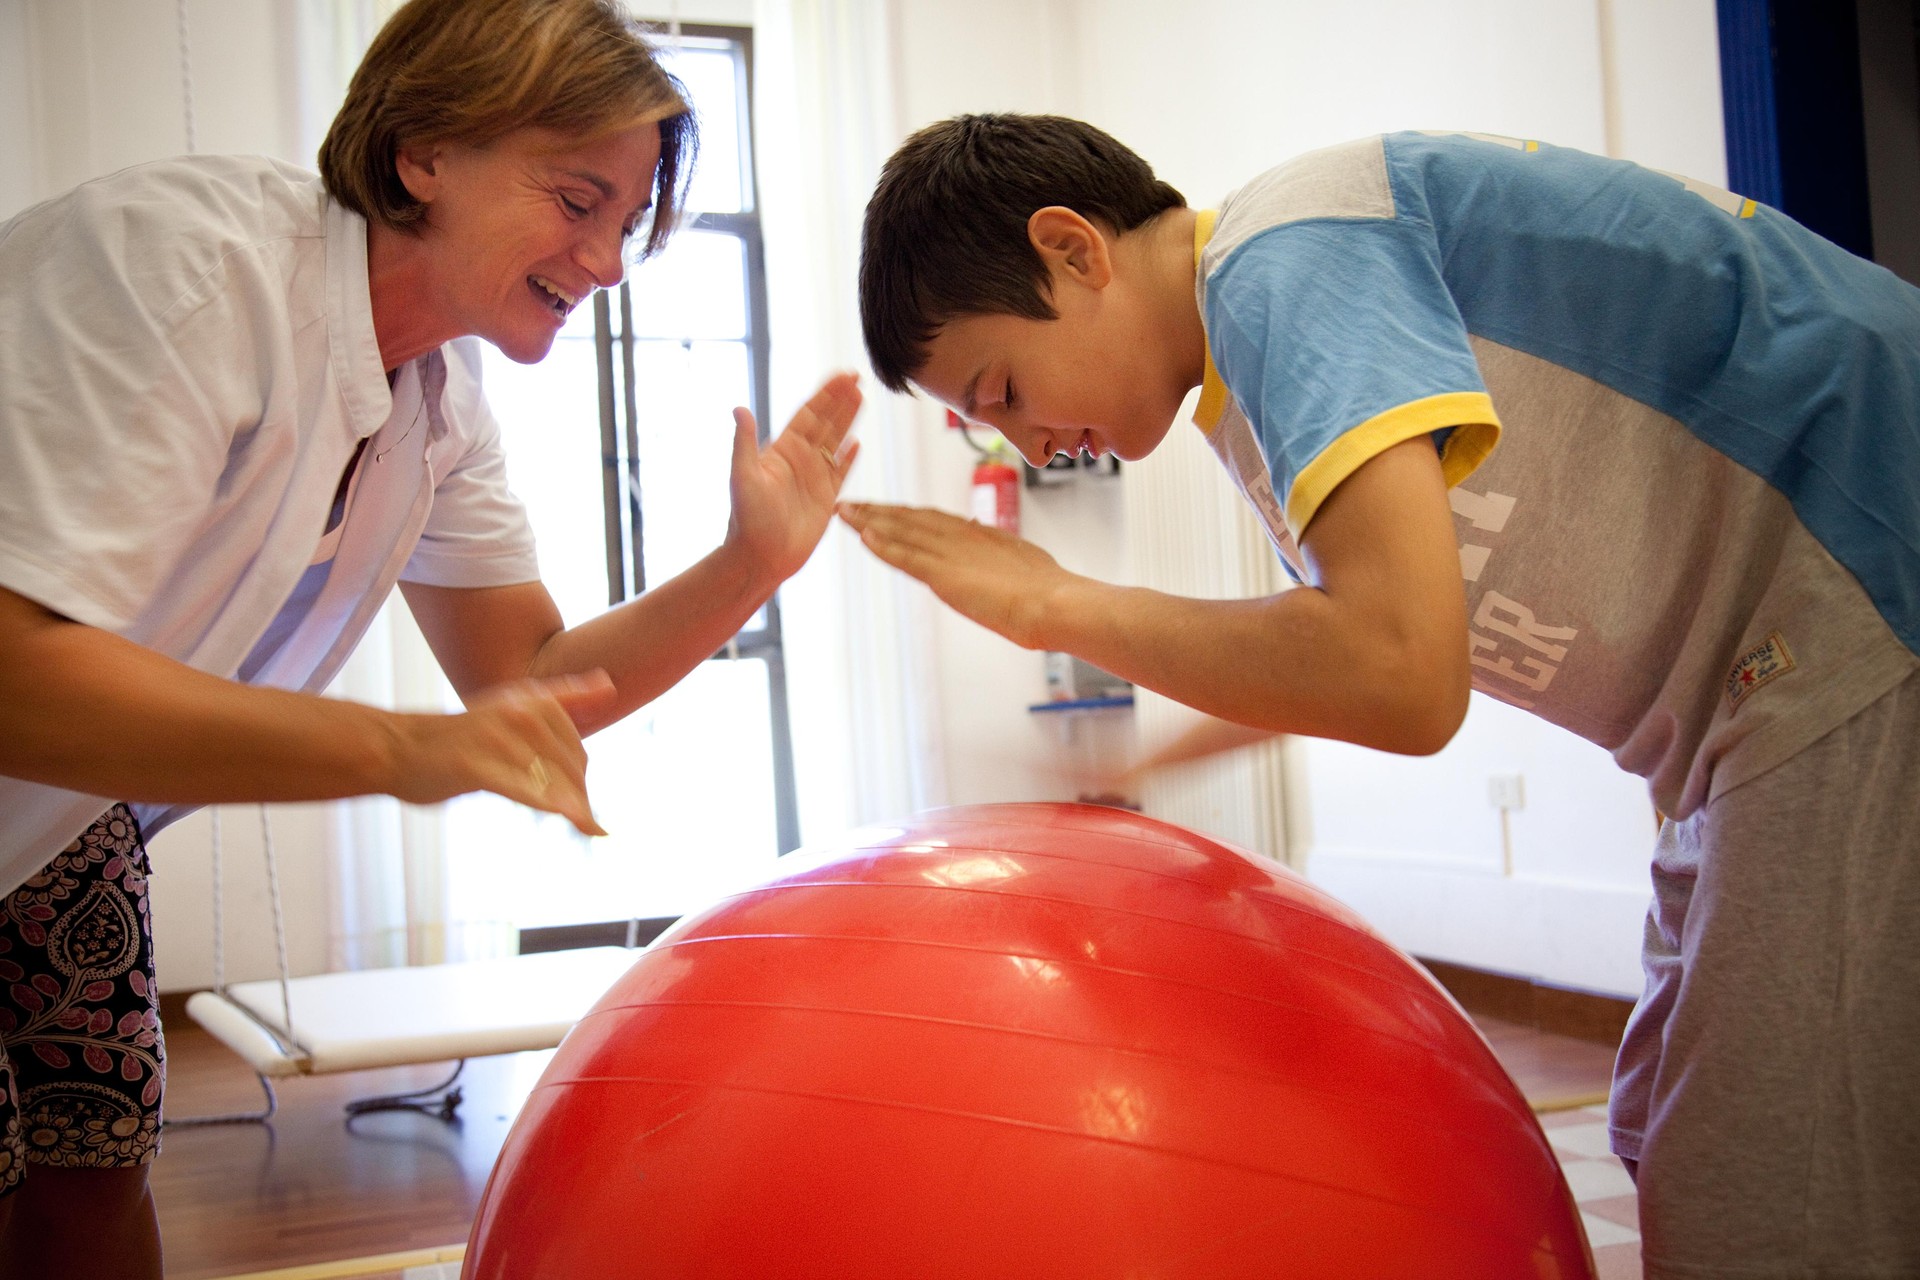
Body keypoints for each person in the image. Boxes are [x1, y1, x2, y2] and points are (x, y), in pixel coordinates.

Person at [842, 114, 1919, 1278]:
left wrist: (1057, 601)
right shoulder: (1254, 359)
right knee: (1660, 1123)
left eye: (1000, 389)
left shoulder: (1286, 256)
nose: (1028, 445)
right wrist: (1163, 757)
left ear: (1073, 248)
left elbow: (1403, 675)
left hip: (1863, 578)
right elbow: (1345, 640)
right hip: (1747, 705)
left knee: (1762, 1198)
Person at [0, 0, 859, 1275]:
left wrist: (748, 567)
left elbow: (526, 677)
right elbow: (16, 667)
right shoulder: (188, 267)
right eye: (579, 201)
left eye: (627, 223)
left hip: (61, 825)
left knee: (96, 1154)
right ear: (424, 153)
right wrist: (405, 749)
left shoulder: (438, 396)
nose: (608, 261)